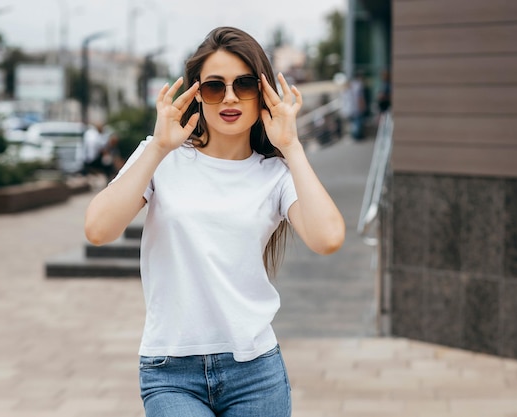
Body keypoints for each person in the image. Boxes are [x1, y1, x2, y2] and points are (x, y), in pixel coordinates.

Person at [84, 26, 345, 417]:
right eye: (213, 87)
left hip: (256, 372)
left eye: (244, 84)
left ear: (263, 93)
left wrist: (291, 146)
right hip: (171, 372)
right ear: (196, 94)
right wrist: (157, 148)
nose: (229, 97)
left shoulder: (275, 174)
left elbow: (328, 238)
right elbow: (98, 230)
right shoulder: (161, 157)